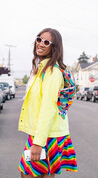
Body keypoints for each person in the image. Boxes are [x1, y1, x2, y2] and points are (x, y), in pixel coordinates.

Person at [18, 28, 78, 178]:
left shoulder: (51, 72)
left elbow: (48, 108)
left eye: (47, 42)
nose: (41, 44)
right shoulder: (41, 69)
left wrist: (38, 143)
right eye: (39, 39)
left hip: (47, 135)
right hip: (43, 133)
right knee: (41, 174)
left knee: (27, 173)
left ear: (54, 47)